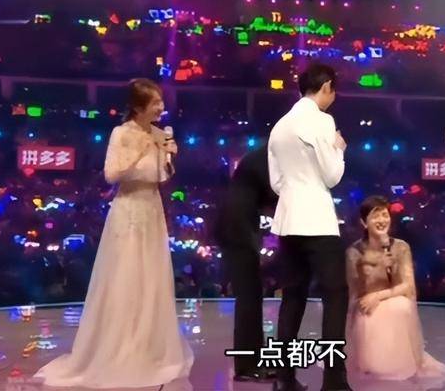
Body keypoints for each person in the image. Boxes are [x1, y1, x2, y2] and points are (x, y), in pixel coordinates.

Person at [34, 79, 194, 388]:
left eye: (161, 101)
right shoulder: (121, 133)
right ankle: (120, 349)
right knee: (126, 276)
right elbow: (112, 174)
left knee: (151, 278)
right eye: (155, 103)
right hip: (128, 210)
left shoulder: (159, 133)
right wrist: (142, 149)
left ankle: (149, 348)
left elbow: (161, 177)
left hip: (152, 210)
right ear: (137, 107)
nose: (161, 107)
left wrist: (169, 156)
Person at [268, 63, 352, 391]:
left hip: (288, 220)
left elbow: (276, 183)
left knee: (292, 298)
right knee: (335, 295)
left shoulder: (280, 126)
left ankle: (284, 379)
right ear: (326, 86)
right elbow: (332, 176)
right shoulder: (322, 121)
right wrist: (339, 150)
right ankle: (334, 380)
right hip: (317, 220)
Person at [345, 195, 445, 382]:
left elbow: (407, 286)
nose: (382, 220)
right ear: (364, 222)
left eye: (385, 215)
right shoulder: (354, 252)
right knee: (368, 311)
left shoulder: (401, 247)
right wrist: (377, 268)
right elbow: (355, 289)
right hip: (365, 301)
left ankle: (400, 363)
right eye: (375, 216)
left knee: (401, 305)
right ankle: (371, 362)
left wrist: (379, 295)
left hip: (391, 299)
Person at [214, 147, 278, 383]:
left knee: (252, 297)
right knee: (249, 298)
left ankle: (253, 361)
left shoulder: (264, 154)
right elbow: (274, 192)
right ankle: (247, 366)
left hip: (240, 226)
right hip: (237, 229)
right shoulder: (267, 155)